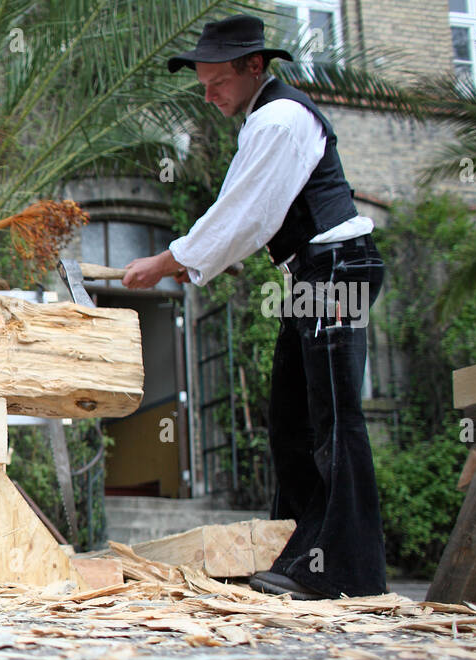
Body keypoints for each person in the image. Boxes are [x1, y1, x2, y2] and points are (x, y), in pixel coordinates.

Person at [122, 15, 386, 600]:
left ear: (254, 67)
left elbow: (241, 213)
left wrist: (166, 261)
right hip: (314, 274)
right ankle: (292, 552)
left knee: (334, 419)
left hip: (334, 269)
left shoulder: (279, 118)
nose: (208, 92)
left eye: (217, 79)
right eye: (203, 82)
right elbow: (257, 217)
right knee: (292, 419)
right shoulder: (267, 118)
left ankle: (342, 571)